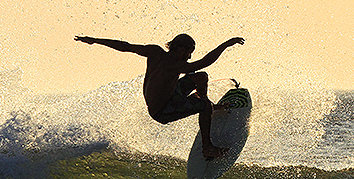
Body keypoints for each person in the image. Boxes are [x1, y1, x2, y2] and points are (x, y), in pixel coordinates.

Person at [74, 34, 245, 158]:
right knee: (204, 104)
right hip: (162, 111)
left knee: (201, 77)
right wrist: (226, 44)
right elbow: (204, 62)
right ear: (180, 49)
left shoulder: (155, 52)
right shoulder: (175, 65)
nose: (189, 56)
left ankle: (206, 104)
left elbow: (125, 46)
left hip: (170, 97)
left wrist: (94, 40)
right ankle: (208, 147)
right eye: (189, 52)